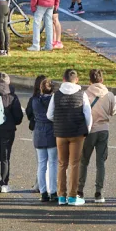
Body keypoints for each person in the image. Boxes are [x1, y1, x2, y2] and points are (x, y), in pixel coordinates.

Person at [47, 68, 93, 205]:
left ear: (63, 79)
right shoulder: (81, 94)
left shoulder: (56, 95)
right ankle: (73, 196)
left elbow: (49, 115)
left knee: (62, 164)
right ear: (76, 80)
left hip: (60, 133)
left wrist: (59, 120)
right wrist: (87, 130)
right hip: (77, 133)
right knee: (74, 164)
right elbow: (88, 114)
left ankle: (61, 196)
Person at [77, 69, 116, 203]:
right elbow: (113, 112)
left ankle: (80, 190)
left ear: (90, 80)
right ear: (102, 80)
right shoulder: (109, 95)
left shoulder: (85, 94)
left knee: (84, 161)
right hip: (103, 130)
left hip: (89, 130)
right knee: (100, 162)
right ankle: (98, 192)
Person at [26, 74, 58, 202]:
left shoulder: (34, 100)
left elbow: (30, 114)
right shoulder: (53, 100)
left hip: (39, 132)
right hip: (51, 132)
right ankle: (53, 190)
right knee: (53, 163)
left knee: (41, 163)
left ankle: (43, 191)